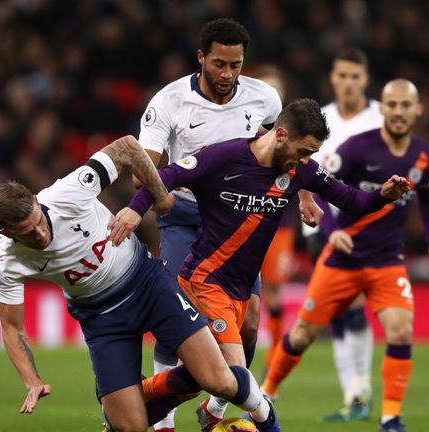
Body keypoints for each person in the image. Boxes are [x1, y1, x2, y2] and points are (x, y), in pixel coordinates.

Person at [112, 98, 411, 431]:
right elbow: (167, 175)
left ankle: (131, 403)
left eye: (311, 154)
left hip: (240, 287)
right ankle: (268, 424)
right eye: (303, 151)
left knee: (201, 378)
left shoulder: (300, 171)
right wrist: (135, 210)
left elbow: (350, 198)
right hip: (205, 280)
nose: (306, 160)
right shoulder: (224, 156)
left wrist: (383, 195)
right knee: (234, 377)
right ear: (281, 135)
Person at [0, 135, 280, 432]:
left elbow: (126, 147)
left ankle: (269, 421)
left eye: (38, 221)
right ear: (7, 233)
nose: (39, 234)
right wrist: (32, 381)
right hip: (102, 319)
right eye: (27, 232)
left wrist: (159, 193)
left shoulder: (68, 192)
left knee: (219, 380)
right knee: (130, 427)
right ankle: (127, 402)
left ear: (37, 202)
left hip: (147, 284)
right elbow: (12, 328)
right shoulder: (7, 260)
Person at [136, 18, 323, 432]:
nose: (227, 74)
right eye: (219, 64)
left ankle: (214, 412)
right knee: (176, 320)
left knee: (251, 321)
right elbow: (144, 166)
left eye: (236, 65)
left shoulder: (264, 98)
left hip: (238, 219)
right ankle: (162, 421)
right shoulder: (168, 102)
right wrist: (156, 192)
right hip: (185, 216)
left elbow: (290, 147)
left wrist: (306, 193)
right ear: (201, 57)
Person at [261, 80, 429, 432]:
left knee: (400, 330)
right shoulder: (356, 148)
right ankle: (266, 395)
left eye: (404, 105)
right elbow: (319, 186)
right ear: (381, 109)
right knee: (303, 335)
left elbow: (426, 196)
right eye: (392, 104)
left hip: (386, 261)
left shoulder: (423, 155)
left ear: (417, 110)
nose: (398, 111)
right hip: (342, 260)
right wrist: (332, 230)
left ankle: (390, 417)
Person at [300, 47, 385, 421]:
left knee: (349, 305)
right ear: (333, 78)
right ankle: (355, 394)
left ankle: (360, 391)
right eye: (342, 76)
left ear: (364, 79)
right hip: (323, 225)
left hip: (369, 227)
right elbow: (304, 170)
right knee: (337, 309)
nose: (348, 83)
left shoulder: (382, 116)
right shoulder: (320, 120)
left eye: (355, 76)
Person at [250, 65, 297, 369]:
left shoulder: (293, 133)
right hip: (246, 220)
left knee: (276, 292)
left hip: (281, 223)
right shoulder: (240, 128)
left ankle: (275, 356)